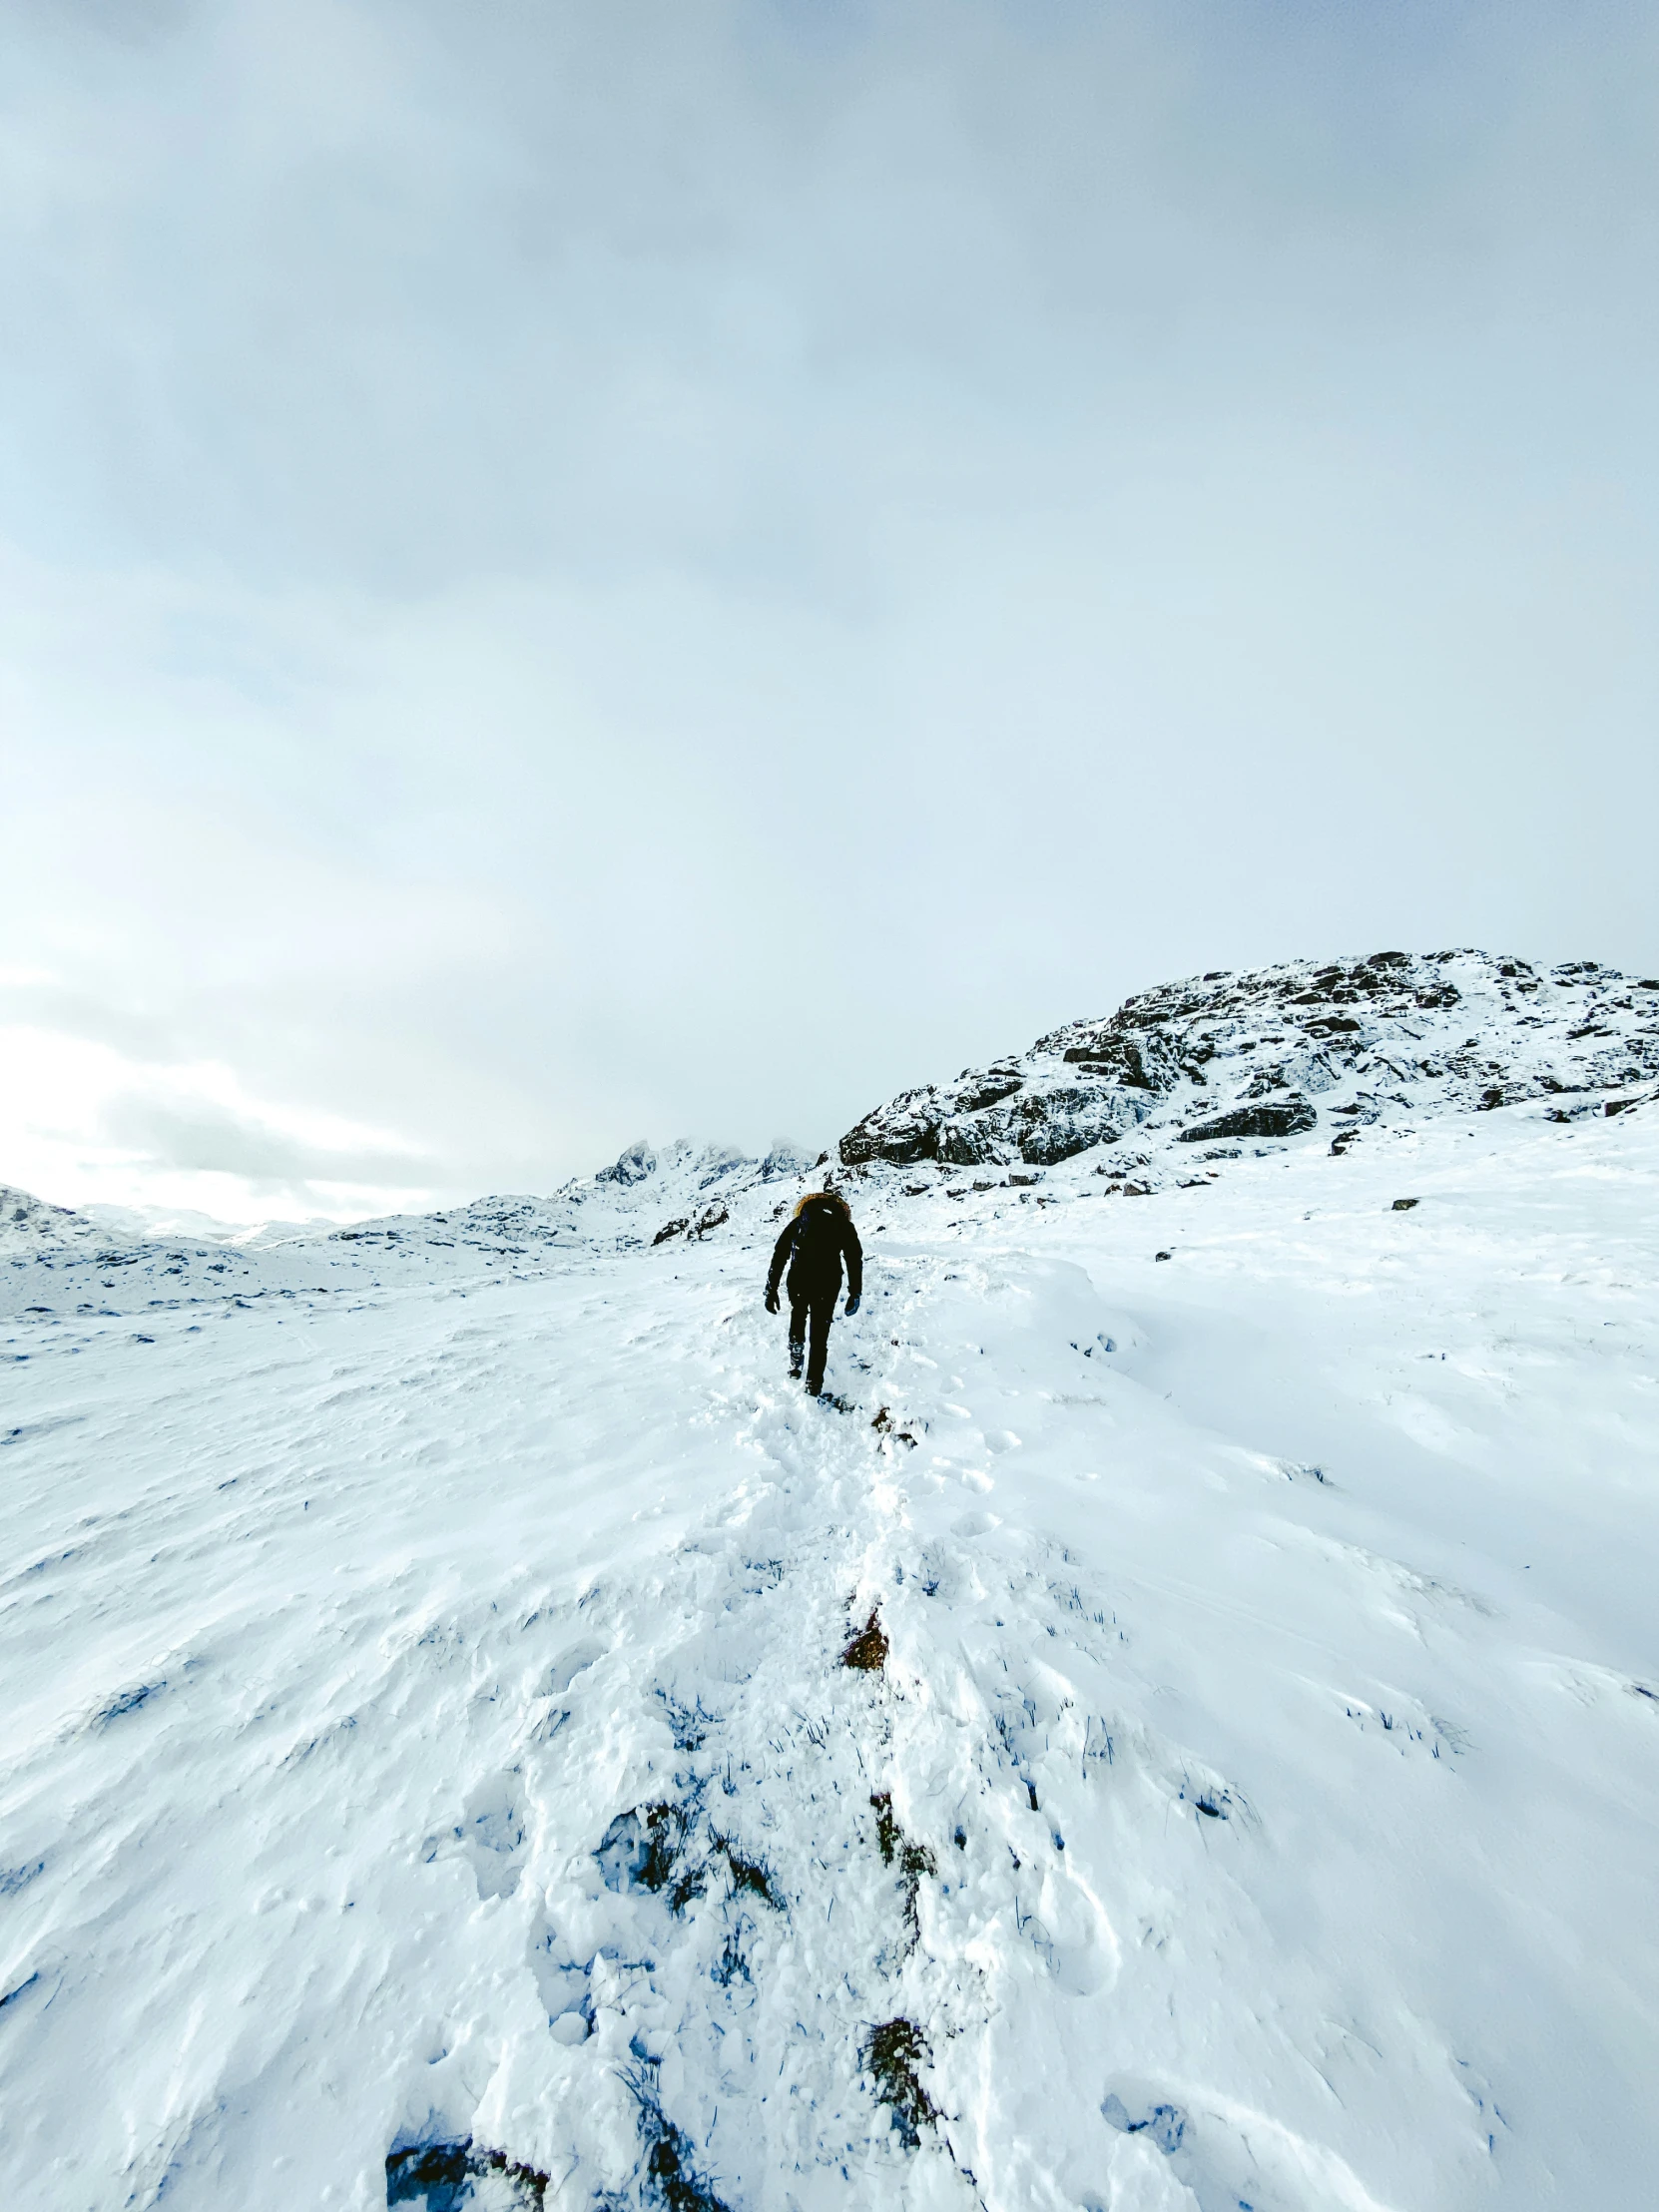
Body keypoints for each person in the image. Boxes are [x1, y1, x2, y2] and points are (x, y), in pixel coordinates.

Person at [765, 1188, 863, 1396]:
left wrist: (771, 1288)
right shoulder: (844, 1225)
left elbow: (780, 1253)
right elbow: (854, 1260)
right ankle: (814, 1383)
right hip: (828, 1283)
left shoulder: (800, 1221)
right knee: (820, 1332)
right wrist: (855, 1292)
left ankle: (796, 1352)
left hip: (799, 1279)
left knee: (798, 1313)